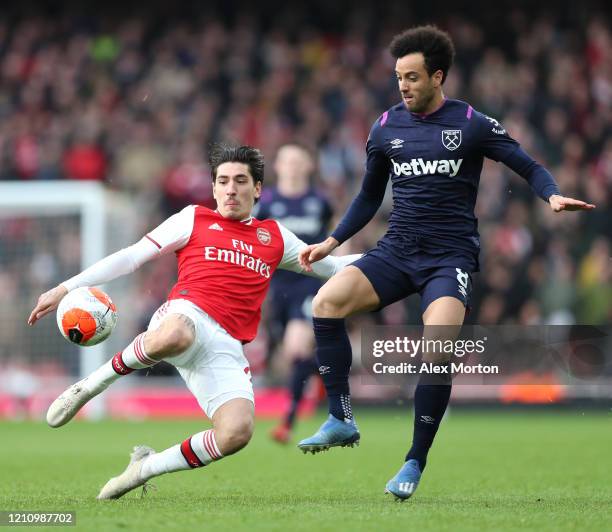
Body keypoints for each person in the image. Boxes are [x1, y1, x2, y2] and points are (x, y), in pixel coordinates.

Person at [296, 25, 595, 501]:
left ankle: (414, 460)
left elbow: (527, 164)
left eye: (412, 77)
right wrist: (331, 242)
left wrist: (552, 195)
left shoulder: (472, 123)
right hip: (397, 251)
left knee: (435, 351)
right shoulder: (386, 127)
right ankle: (340, 418)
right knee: (325, 304)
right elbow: (369, 196)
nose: (403, 86)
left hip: (448, 258)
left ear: (438, 76)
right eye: (398, 77)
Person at [28, 144, 359, 501]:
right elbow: (132, 257)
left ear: (258, 188)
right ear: (214, 188)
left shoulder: (275, 237)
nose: (231, 189)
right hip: (185, 314)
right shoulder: (193, 218)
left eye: (240, 181)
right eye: (223, 181)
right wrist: (65, 287)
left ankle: (145, 467)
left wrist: (399, 256)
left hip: (226, 344)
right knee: (177, 333)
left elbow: (336, 268)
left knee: (236, 433)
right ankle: (89, 386)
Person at [254, 144, 333, 444]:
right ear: (278, 166)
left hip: (310, 283)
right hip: (276, 287)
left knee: (294, 348)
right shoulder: (267, 203)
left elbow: (337, 235)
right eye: (287, 161)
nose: (293, 167)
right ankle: (333, 366)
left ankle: (288, 420)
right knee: (289, 357)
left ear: (309, 166)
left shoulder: (320, 201)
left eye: (299, 161)